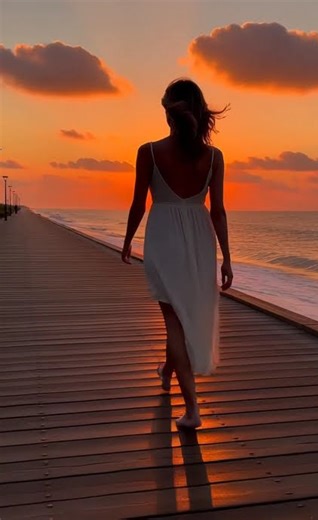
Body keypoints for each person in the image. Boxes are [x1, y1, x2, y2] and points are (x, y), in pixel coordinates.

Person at [122, 78, 232, 429]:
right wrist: (227, 257)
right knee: (182, 316)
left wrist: (127, 240)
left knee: (173, 319)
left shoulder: (149, 151)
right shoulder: (213, 156)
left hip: (164, 239)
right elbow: (218, 211)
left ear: (168, 111)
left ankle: (192, 410)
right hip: (200, 240)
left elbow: (139, 203)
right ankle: (168, 369)